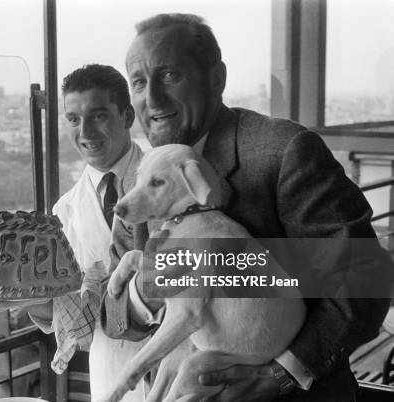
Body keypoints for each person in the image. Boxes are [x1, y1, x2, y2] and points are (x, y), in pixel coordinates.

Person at [102, 13, 394, 402]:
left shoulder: (284, 151)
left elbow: (366, 277)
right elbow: (115, 316)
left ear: (216, 78)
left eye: (169, 75)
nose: (151, 98)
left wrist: (283, 373)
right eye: (138, 82)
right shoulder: (139, 178)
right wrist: (145, 289)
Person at [27, 64, 148, 401]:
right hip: (112, 369)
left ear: (126, 116)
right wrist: (25, 298)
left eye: (98, 116)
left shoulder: (167, 177)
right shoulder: (62, 212)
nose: (86, 132)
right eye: (74, 119)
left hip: (178, 362)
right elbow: (69, 312)